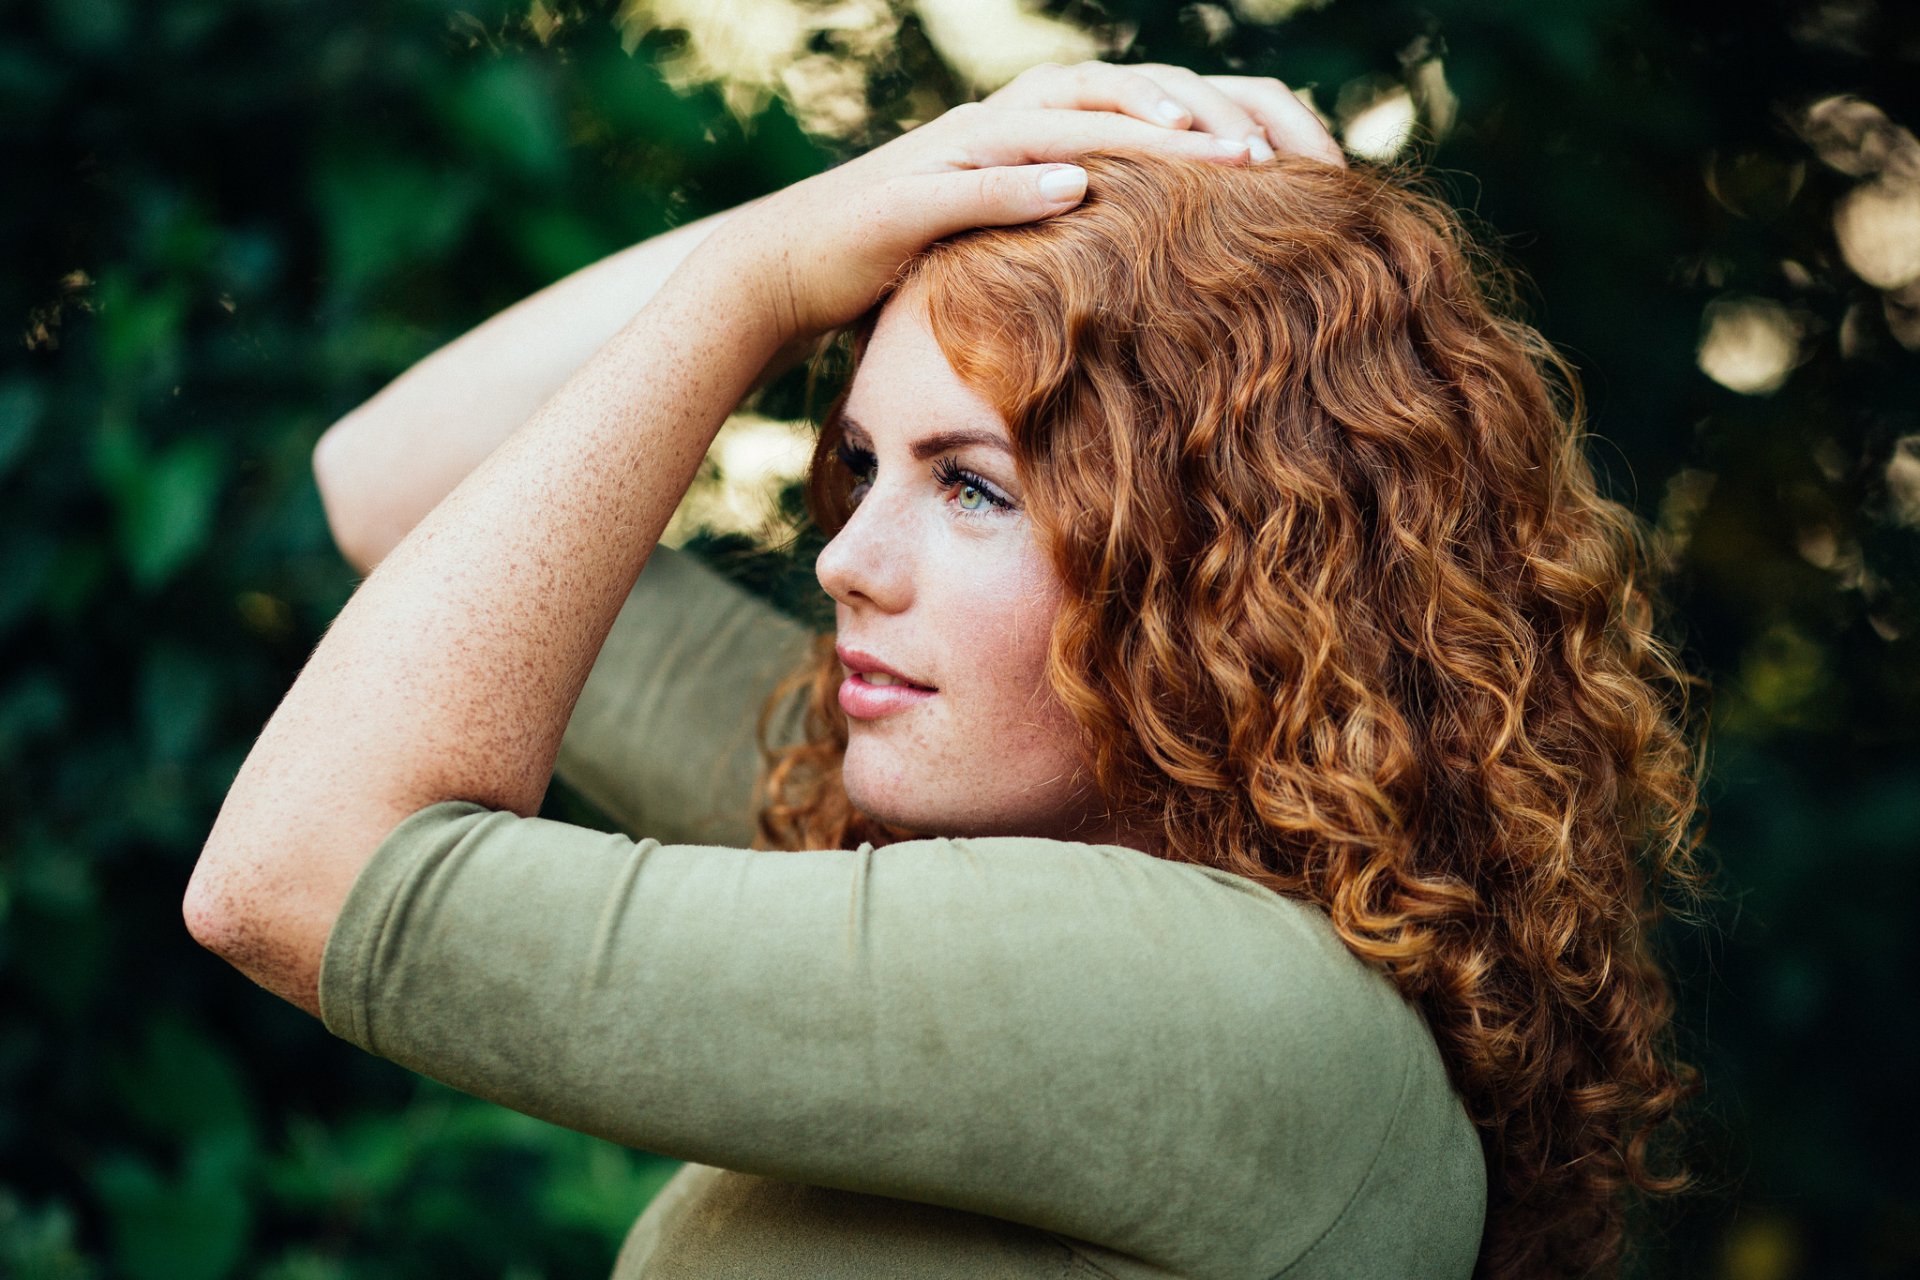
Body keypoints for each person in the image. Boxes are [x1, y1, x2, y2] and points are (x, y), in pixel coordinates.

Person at [185, 60, 1703, 1280]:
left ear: (1221, 570)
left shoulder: (1208, 996)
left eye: (971, 484)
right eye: (860, 465)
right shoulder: (980, 833)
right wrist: (883, 197)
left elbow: (299, 875)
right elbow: (395, 482)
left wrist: (764, 281)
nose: (849, 555)